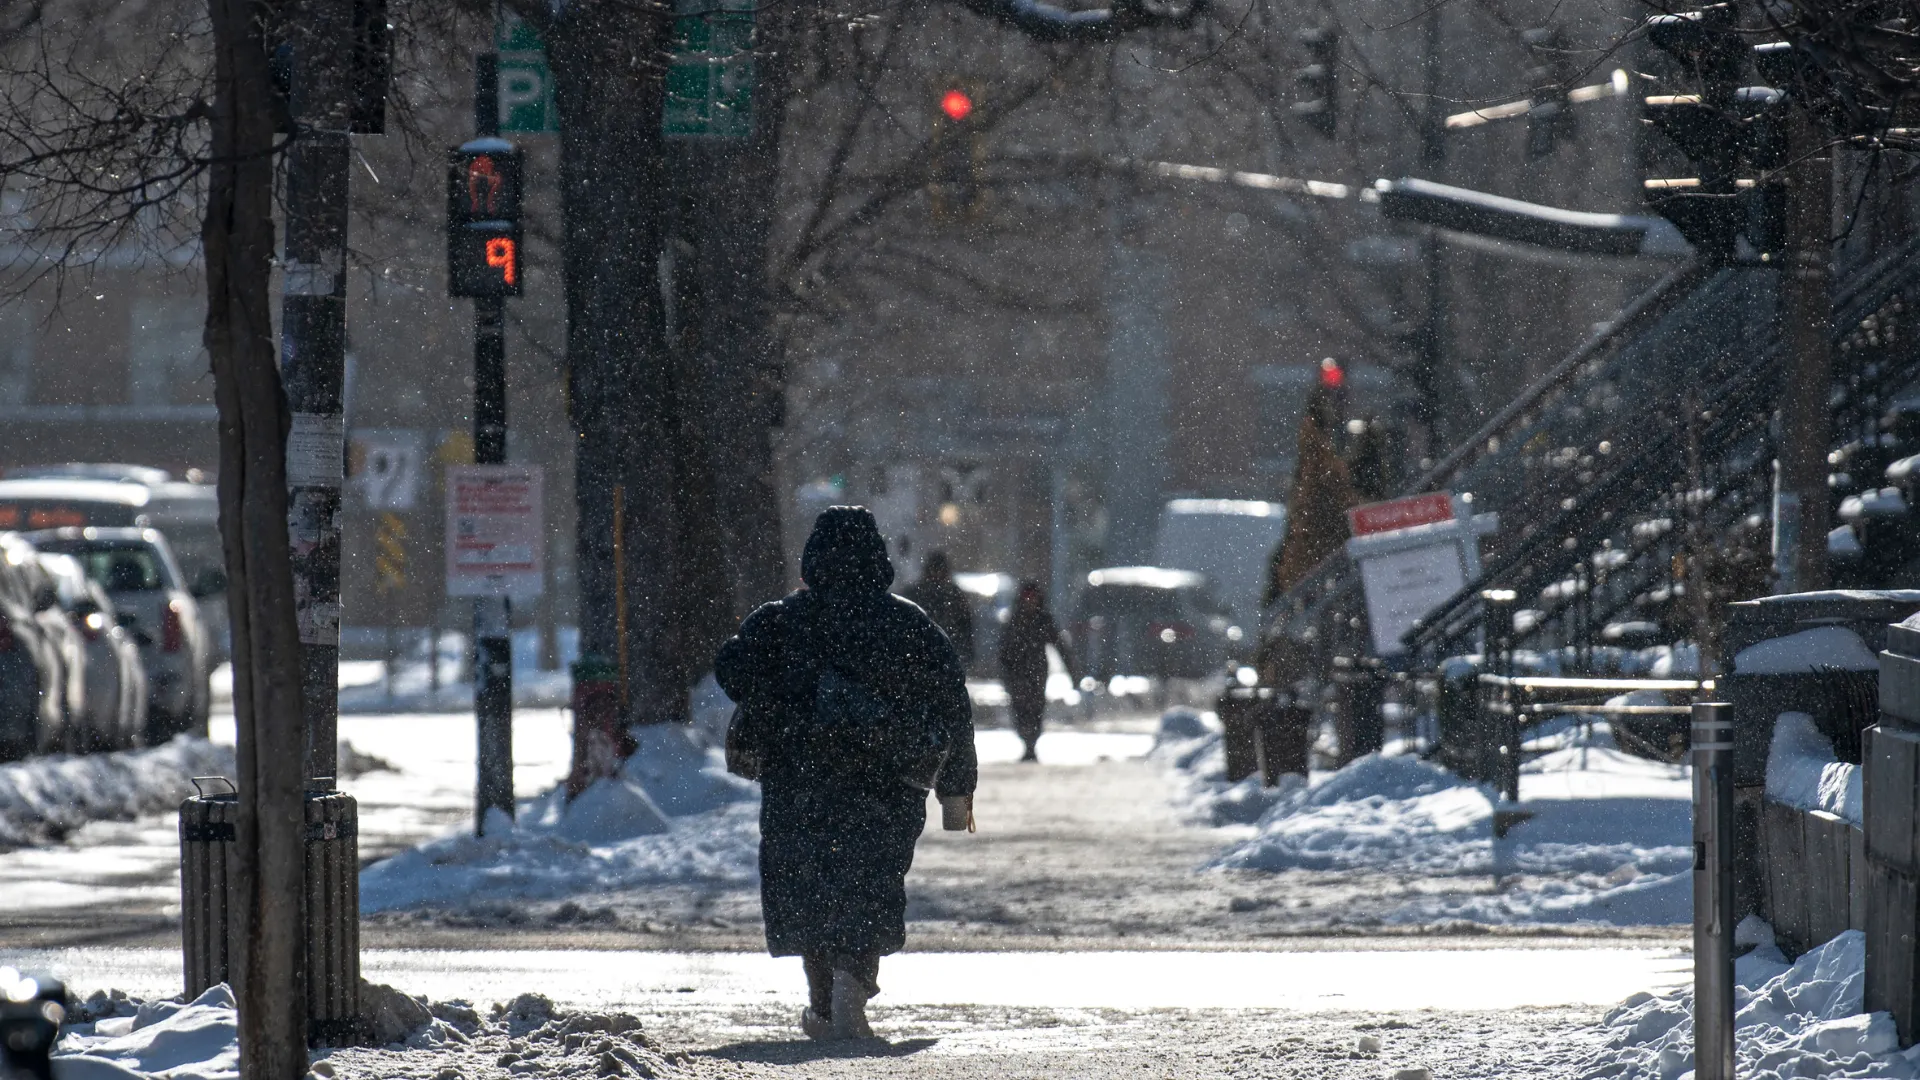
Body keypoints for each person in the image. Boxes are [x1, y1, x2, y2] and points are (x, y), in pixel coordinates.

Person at [715, 507, 977, 1041]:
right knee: (871, 880)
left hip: (800, 778)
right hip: (885, 782)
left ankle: (822, 999)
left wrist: (789, 685)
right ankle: (854, 982)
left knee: (806, 884)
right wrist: (957, 789)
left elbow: (732, 670)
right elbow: (951, 704)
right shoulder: (908, 623)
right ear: (877, 556)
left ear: (814, 558)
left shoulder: (783, 620)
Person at [997, 580, 1076, 763]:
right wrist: (1005, 671)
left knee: (1035, 708)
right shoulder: (1015, 619)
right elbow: (1004, 648)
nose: (1030, 601)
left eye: (1033, 597)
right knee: (1020, 708)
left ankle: (1032, 742)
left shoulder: (1043, 619)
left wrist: (1072, 669)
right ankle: (1026, 740)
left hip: (1037, 671)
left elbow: (1059, 645)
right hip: (1017, 672)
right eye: (1027, 597)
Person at [899, 551, 975, 668]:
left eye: (940, 571)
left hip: (928, 658)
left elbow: (964, 626)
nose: (937, 575)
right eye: (935, 570)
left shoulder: (953, 595)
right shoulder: (953, 595)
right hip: (927, 657)